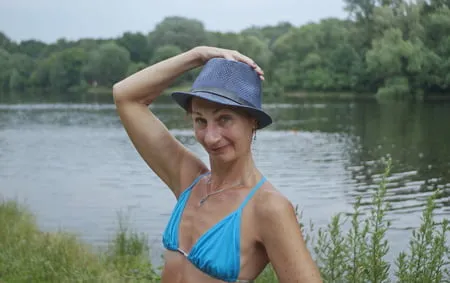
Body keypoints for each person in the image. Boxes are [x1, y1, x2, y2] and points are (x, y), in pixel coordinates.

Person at [112, 46, 322, 283]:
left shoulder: (268, 208)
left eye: (224, 119)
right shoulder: (188, 179)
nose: (210, 137)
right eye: (200, 120)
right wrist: (197, 55)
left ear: (252, 121)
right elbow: (125, 96)